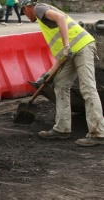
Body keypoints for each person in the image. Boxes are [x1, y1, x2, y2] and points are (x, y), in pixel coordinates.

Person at [20, 0, 104, 146]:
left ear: (27, 7)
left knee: (87, 87)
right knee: (60, 84)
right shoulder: (42, 19)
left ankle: (98, 133)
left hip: (82, 47)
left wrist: (66, 46)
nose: (25, 16)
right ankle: (62, 129)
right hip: (70, 53)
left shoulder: (39, 8)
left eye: (23, 12)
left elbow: (61, 18)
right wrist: (49, 73)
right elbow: (61, 54)